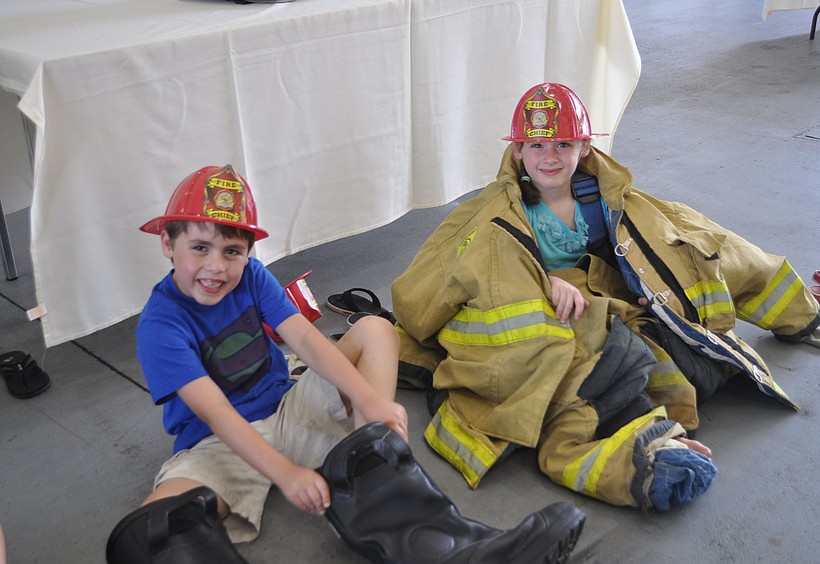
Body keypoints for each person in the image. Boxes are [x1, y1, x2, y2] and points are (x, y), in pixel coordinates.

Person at [107, 164, 586, 563]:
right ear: (167, 244)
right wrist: (285, 472)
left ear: (249, 252)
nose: (217, 266)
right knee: (155, 530)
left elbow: (306, 342)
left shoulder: (251, 276)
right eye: (199, 248)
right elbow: (215, 413)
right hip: (218, 442)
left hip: (288, 405)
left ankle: (411, 510)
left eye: (232, 251)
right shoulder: (160, 325)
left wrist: (368, 403)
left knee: (376, 329)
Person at [391, 83, 820, 511]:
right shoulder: (497, 213)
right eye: (537, 143)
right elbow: (466, 267)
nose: (550, 156)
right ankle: (638, 454)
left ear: (584, 147)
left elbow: (704, 243)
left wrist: (795, 315)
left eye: (563, 142)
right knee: (583, 363)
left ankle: (640, 441)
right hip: (546, 308)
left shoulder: (606, 200)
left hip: (601, 299)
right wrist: (545, 281)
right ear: (518, 151)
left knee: (660, 356)